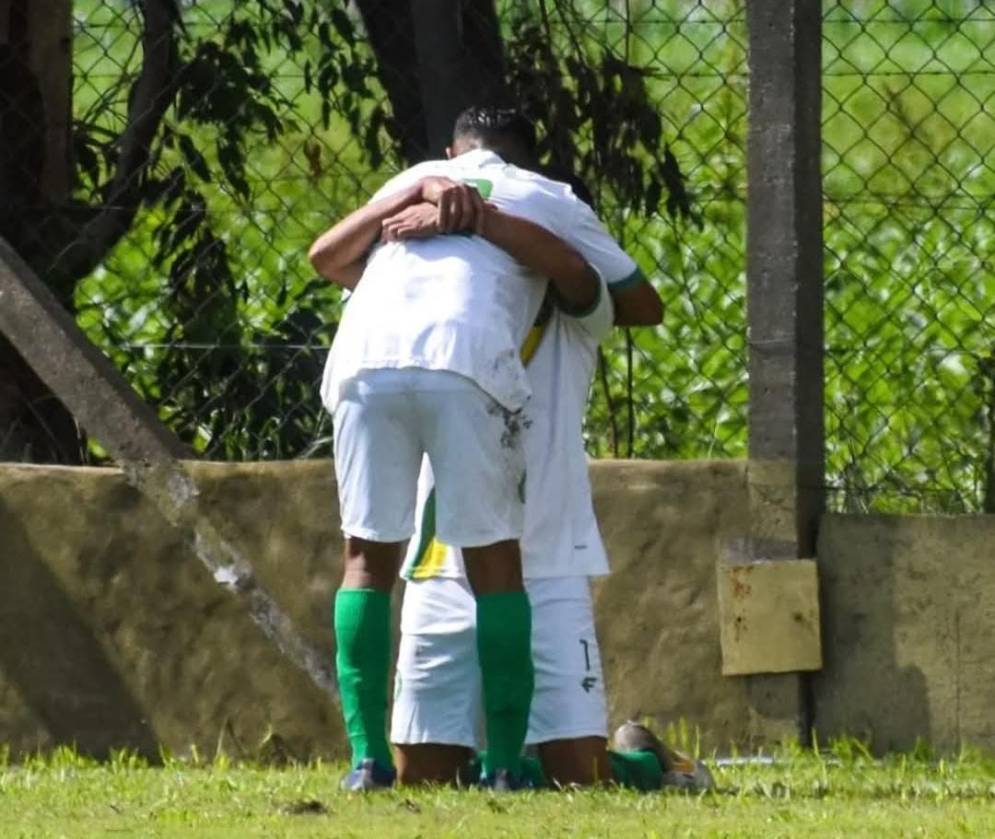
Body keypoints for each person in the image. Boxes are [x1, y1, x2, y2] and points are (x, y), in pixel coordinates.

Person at [309, 106, 638, 791]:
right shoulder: (527, 210)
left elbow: (604, 290)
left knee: (367, 557)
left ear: (448, 153)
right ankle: (478, 766)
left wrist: (456, 208)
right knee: (427, 769)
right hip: (443, 535)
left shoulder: (529, 238)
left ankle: (390, 762)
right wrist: (442, 203)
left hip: (370, 378)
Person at [388, 171, 713, 792]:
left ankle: (648, 762)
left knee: (581, 778)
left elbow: (629, 297)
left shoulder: (568, 295)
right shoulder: (421, 289)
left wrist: (482, 214)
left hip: (548, 555)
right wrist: (426, 193)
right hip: (441, 562)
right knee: (425, 778)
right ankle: (499, 768)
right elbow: (332, 259)